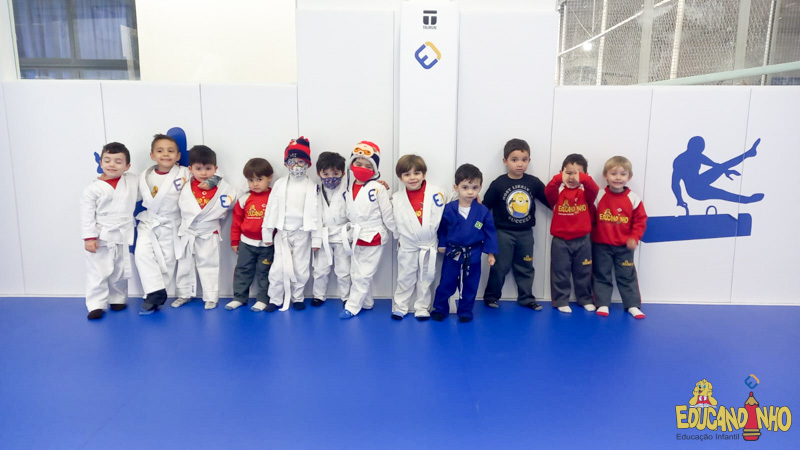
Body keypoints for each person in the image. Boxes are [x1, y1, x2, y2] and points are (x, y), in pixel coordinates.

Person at [135, 134, 220, 313]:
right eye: (160, 151)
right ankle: (154, 290)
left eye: (170, 151)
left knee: (167, 261)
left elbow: (211, 174)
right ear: (152, 155)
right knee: (141, 253)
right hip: (150, 221)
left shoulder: (184, 172)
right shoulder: (144, 175)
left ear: (178, 156)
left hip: (172, 222)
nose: (166, 154)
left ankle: (155, 297)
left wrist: (211, 182)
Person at [481, 138, 549, 310]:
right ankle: (491, 297)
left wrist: (568, 208)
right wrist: (476, 225)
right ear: (505, 161)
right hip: (502, 233)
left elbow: (551, 201)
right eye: (514, 159)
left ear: (529, 161)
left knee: (526, 267)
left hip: (526, 234)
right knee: (499, 266)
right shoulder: (499, 183)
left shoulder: (533, 182)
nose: (520, 164)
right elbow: (484, 208)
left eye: (524, 160)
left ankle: (526, 298)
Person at [171, 145, 237, 311]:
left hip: (209, 231)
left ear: (215, 168)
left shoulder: (222, 187)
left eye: (208, 169)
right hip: (188, 231)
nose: (203, 173)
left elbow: (232, 200)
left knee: (210, 264)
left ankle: (211, 296)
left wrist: (215, 180)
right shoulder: (185, 184)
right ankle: (184, 294)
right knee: (184, 264)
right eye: (198, 169)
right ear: (190, 169)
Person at [80, 142, 140, 319]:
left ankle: (118, 299)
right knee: (98, 271)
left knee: (119, 269)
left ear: (127, 166)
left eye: (118, 161)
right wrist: (89, 237)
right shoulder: (92, 189)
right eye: (107, 160)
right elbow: (86, 215)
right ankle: (96, 304)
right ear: (100, 162)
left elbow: (151, 181)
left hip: (122, 233)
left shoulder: (131, 180)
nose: (112, 164)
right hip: (101, 235)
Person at [431, 164, 498, 323]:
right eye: (465, 187)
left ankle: (465, 311)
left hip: (473, 254)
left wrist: (491, 253)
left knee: (470, 284)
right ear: (456, 187)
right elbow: (442, 229)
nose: (470, 192)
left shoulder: (482, 211)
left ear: (480, 187)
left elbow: (490, 232)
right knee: (446, 282)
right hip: (452, 253)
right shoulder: (449, 209)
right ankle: (440, 309)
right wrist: (442, 244)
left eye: (475, 188)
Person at [340, 141, 396, 319]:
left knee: (363, 274)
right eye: (358, 163)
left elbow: (388, 215)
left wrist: (399, 234)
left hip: (373, 235)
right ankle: (367, 302)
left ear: (375, 169)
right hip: (355, 235)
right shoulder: (348, 186)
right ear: (351, 164)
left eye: (368, 165)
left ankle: (352, 306)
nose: (362, 168)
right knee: (356, 272)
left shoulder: (378, 188)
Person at [262, 137, 319, 312]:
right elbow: (271, 209)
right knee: (278, 268)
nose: (296, 166)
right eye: (292, 162)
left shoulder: (312, 186)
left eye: (301, 162)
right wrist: (267, 232)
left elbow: (317, 214)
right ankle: (275, 299)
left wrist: (316, 239)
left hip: (303, 233)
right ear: (286, 164)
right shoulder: (279, 184)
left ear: (308, 163)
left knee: (301, 268)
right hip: (283, 233)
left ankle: (298, 298)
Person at [391, 154, 446, 321]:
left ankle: (422, 307)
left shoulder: (438, 193)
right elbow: (391, 219)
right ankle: (400, 306)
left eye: (417, 173)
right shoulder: (396, 198)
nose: (412, 178)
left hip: (428, 243)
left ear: (424, 174)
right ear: (400, 177)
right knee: (405, 277)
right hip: (408, 244)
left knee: (426, 278)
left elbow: (451, 207)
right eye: (407, 174)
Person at [592, 156, 647, 319]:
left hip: (624, 248)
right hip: (601, 245)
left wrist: (634, 237)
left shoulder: (633, 198)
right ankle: (602, 303)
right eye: (613, 173)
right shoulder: (598, 196)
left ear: (629, 177)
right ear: (605, 175)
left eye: (623, 174)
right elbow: (590, 218)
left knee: (627, 275)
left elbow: (640, 220)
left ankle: (632, 305)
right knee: (601, 274)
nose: (618, 177)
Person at [544, 153, 599, 314]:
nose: (572, 177)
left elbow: (594, 188)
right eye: (568, 173)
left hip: (583, 240)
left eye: (577, 173)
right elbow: (548, 190)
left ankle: (585, 299)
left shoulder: (586, 193)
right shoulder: (558, 192)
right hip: (560, 241)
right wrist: (559, 177)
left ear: (584, 175)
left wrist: (582, 177)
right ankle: (561, 300)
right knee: (560, 271)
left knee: (584, 271)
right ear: (562, 173)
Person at [227, 158, 275, 312]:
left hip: (268, 245)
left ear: (270, 177)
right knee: (242, 270)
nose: (255, 184)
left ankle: (263, 299)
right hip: (246, 244)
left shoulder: (275, 198)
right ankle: (239, 298)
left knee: (265, 272)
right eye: (251, 180)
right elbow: (236, 222)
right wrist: (235, 241)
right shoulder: (244, 198)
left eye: (259, 179)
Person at [310, 152, 350, 307]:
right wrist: (316, 239)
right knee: (320, 269)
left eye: (335, 174)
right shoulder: (315, 190)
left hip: (342, 235)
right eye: (325, 174)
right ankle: (318, 295)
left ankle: (346, 297)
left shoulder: (349, 189)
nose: (330, 177)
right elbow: (314, 215)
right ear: (318, 173)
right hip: (323, 235)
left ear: (343, 173)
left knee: (344, 269)